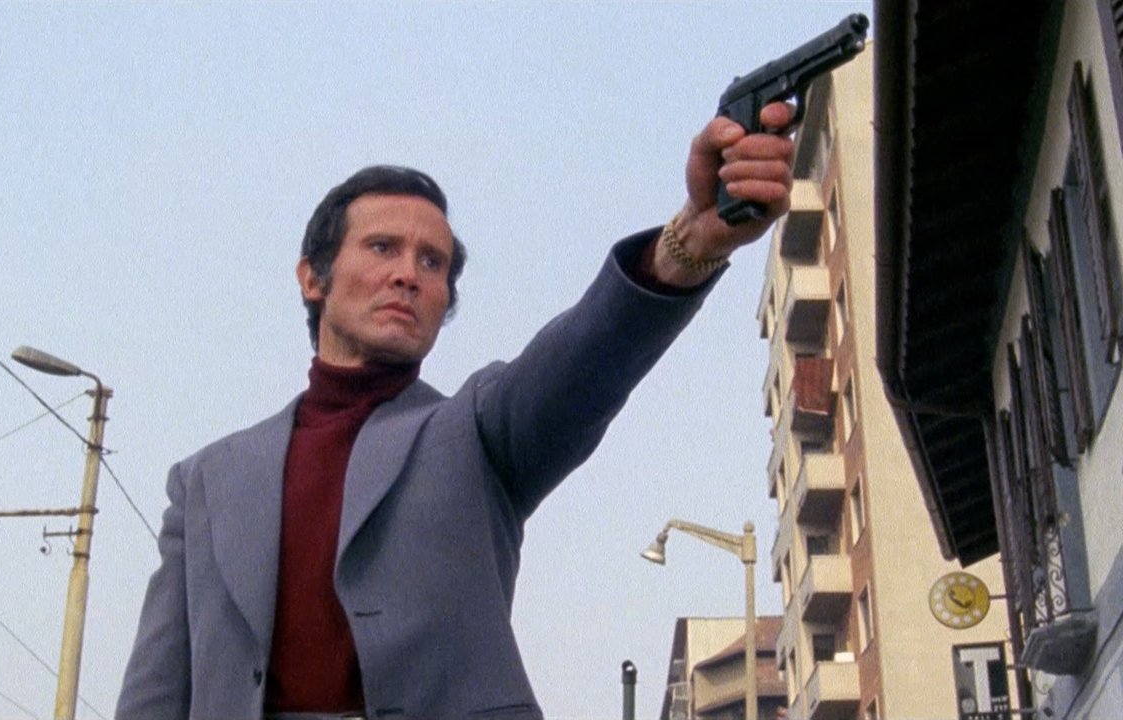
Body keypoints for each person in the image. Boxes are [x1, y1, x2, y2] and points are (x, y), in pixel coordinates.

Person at [116, 102, 796, 720]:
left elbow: (586, 359)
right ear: (313, 277)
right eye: (383, 248)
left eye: (433, 262)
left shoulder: (476, 434)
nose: (408, 274)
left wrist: (692, 240)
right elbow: (155, 692)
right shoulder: (206, 483)